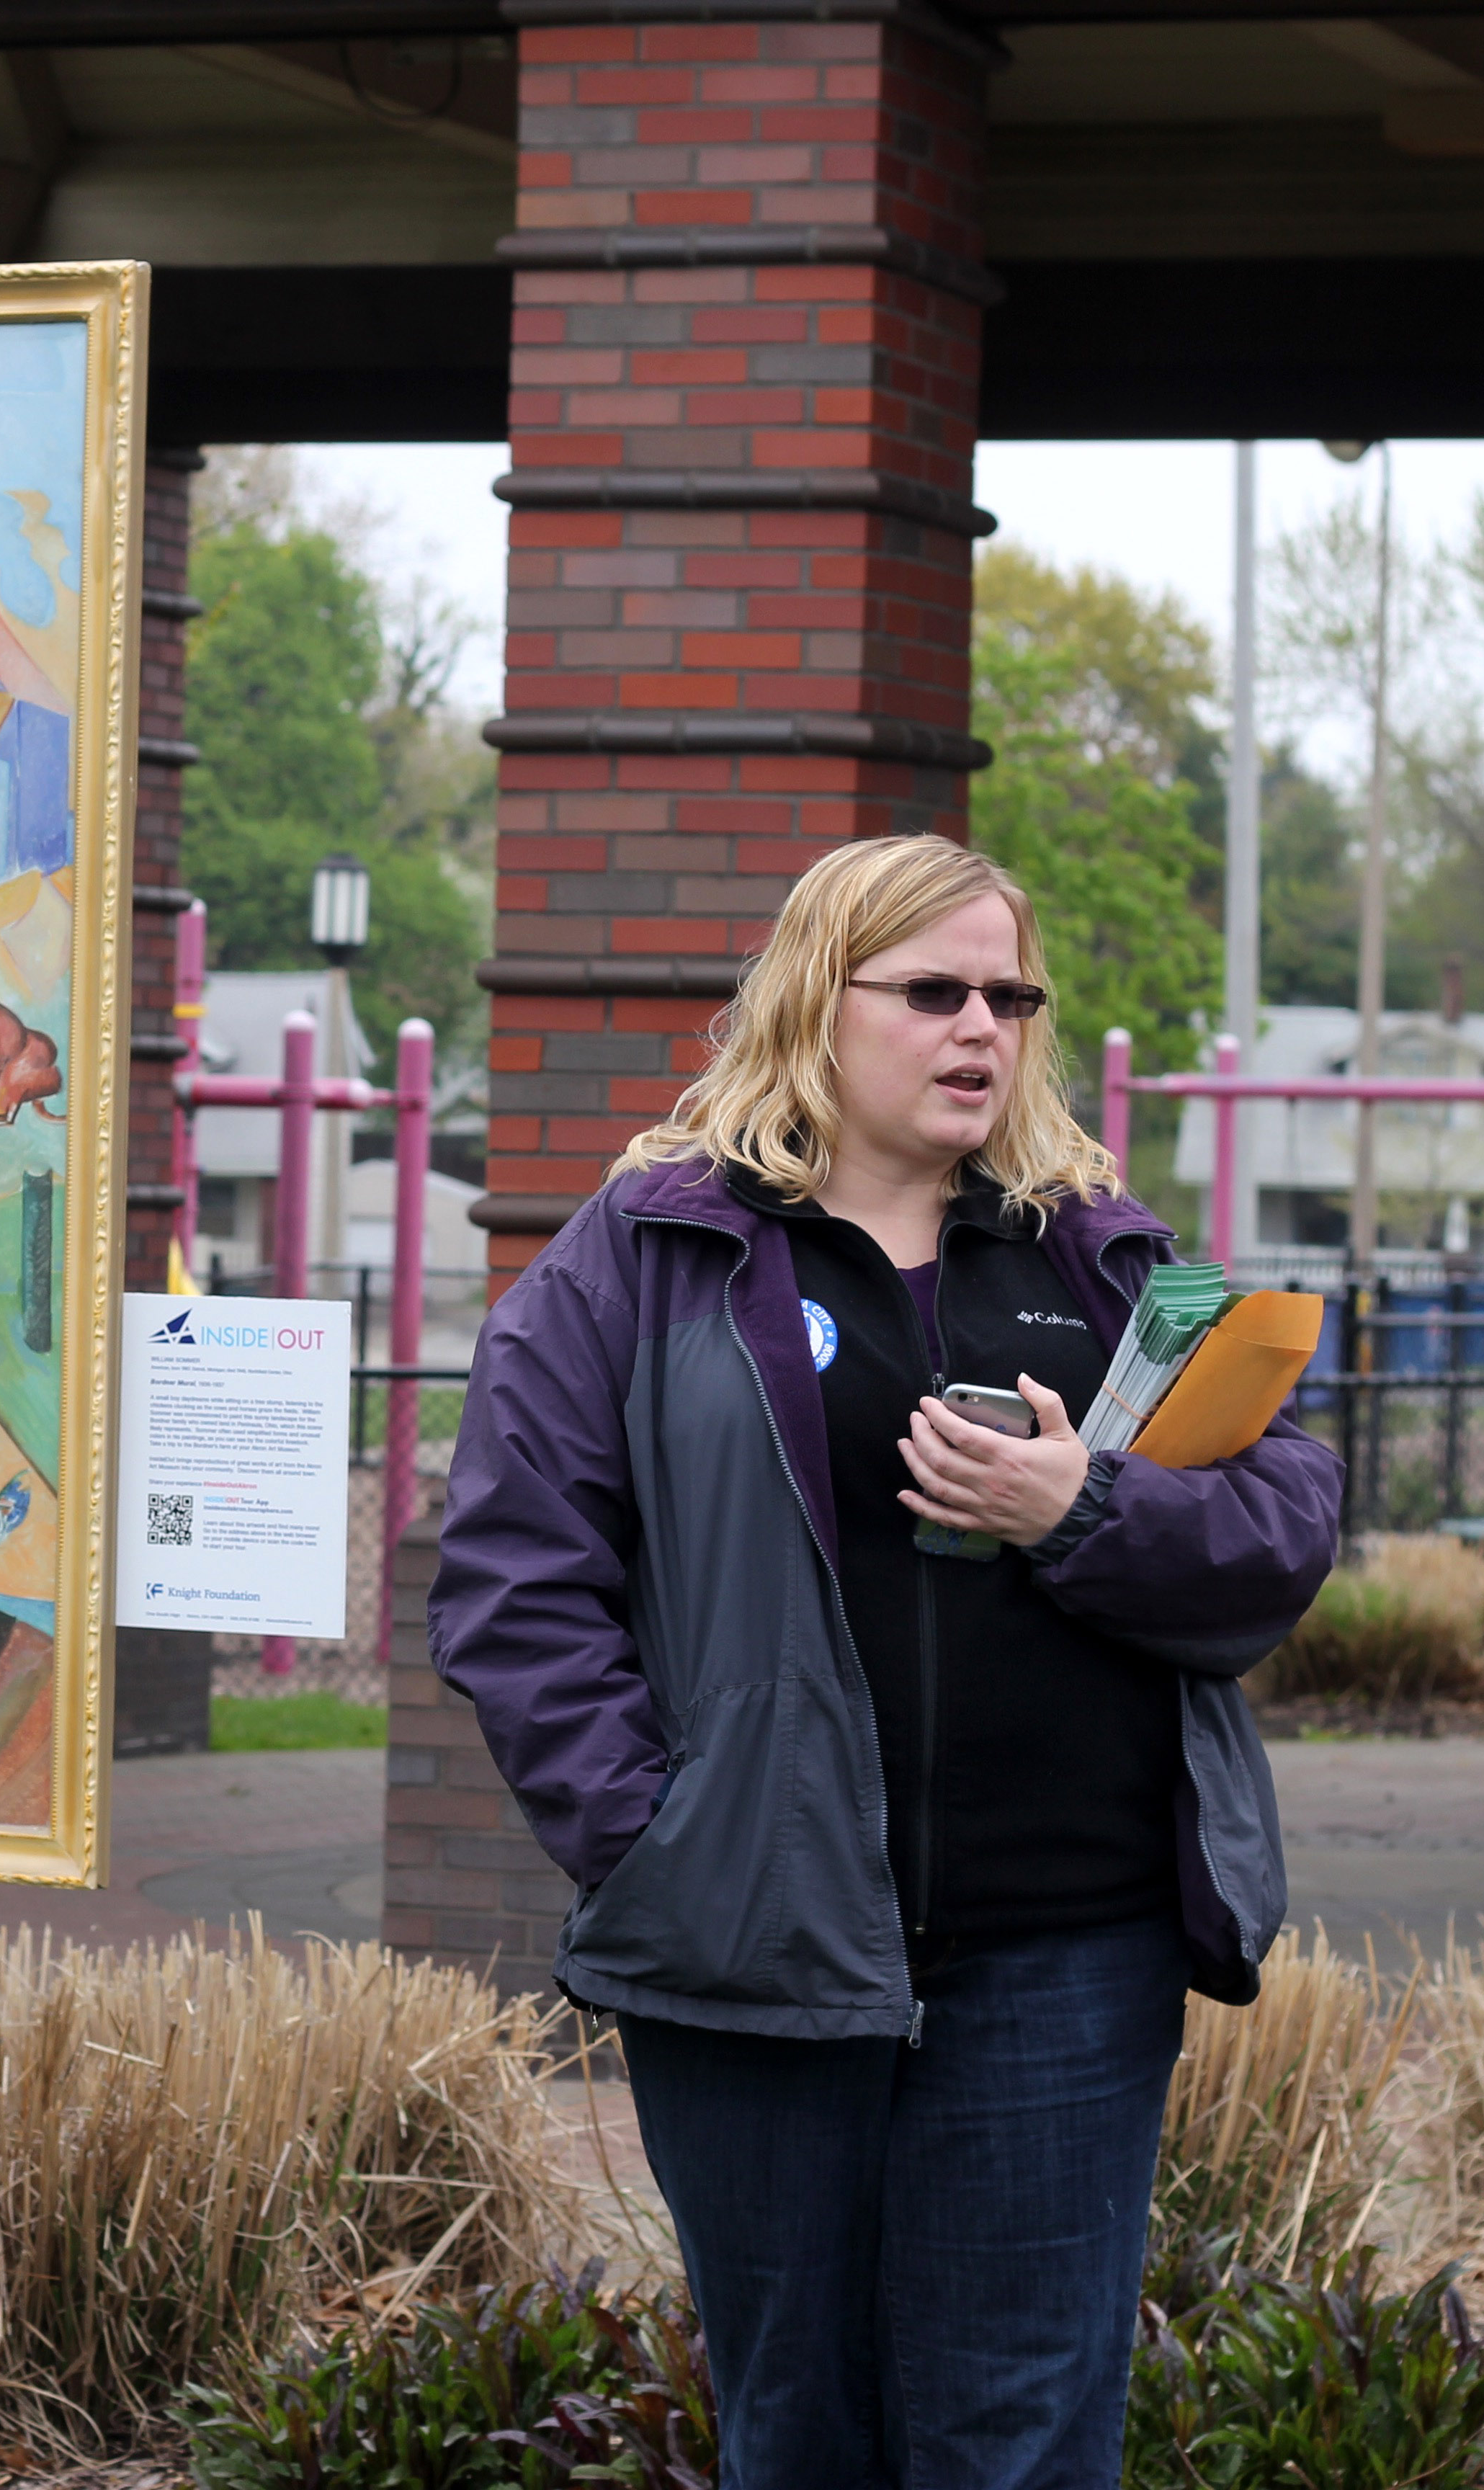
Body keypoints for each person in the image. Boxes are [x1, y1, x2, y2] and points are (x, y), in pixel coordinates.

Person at [429, 837, 1340, 2489]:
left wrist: (1080, 1506)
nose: (979, 1026)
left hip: (1064, 1951)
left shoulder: (1100, 1257)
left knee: (1023, 2439)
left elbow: (1281, 1523)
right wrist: (655, 1834)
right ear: (815, 1002)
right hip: (753, 1943)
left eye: (1009, 995)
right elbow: (513, 1570)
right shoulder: (651, 1250)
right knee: (802, 2432)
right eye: (931, 991)